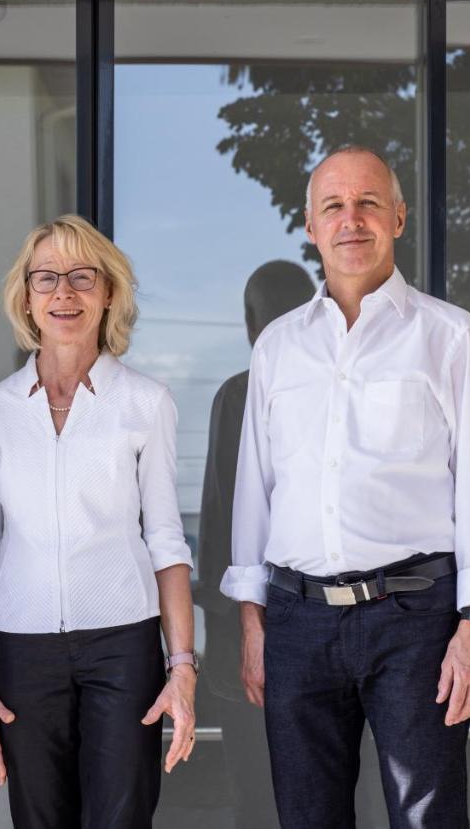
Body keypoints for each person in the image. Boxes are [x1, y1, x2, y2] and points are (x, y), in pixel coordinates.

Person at [221, 145, 470, 829]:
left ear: (399, 217)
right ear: (309, 224)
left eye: (368, 204)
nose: (350, 220)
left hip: (416, 618)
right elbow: (256, 493)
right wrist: (252, 617)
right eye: (334, 206)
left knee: (429, 816)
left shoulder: (454, 338)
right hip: (296, 621)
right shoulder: (278, 348)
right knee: (306, 816)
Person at [0, 214, 197, 829]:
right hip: (21, 648)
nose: (64, 292)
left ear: (109, 292)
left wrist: (183, 668)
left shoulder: (146, 403)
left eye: (81, 276)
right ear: (28, 298)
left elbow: (168, 541)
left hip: (124, 644)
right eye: (47, 278)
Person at [195, 259, 314, 829]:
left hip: (248, 635)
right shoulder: (340, 395)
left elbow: (220, 524)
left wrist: (224, 627)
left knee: (258, 794)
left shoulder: (239, 395)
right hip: (330, 627)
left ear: (249, 323)